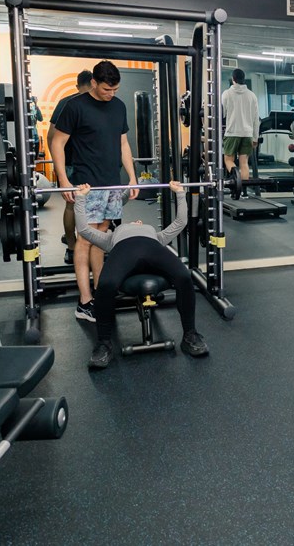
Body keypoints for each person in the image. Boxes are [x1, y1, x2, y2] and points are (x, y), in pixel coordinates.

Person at [74, 181, 208, 369]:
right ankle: (104, 344)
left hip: (152, 248)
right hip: (123, 250)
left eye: (139, 222)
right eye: (132, 222)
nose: (136, 221)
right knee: (106, 284)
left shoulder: (157, 235)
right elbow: (84, 229)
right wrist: (81, 198)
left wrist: (179, 193)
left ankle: (190, 335)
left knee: (184, 277)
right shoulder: (111, 238)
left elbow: (181, 222)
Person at [50, 61, 139, 322]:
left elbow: (123, 143)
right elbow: (57, 142)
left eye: (115, 89)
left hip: (111, 182)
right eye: (106, 89)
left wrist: (131, 177)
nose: (110, 94)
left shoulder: (119, 106)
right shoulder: (75, 106)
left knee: (102, 237)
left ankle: (101, 291)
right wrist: (64, 180)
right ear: (93, 83)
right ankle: (84, 301)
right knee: (85, 239)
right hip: (86, 185)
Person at [47, 70, 93, 265]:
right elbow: (52, 136)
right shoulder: (79, 103)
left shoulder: (66, 102)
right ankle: (80, 245)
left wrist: (59, 164)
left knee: (72, 205)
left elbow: (50, 136)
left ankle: (74, 245)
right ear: (94, 83)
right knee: (83, 204)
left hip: (75, 162)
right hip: (81, 162)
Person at [222, 68, 260, 186]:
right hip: (247, 133)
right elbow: (256, 119)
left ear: (233, 79)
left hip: (232, 133)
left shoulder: (227, 94)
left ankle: (236, 179)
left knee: (228, 160)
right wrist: (255, 137)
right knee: (244, 163)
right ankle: (243, 192)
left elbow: (222, 113)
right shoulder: (252, 95)